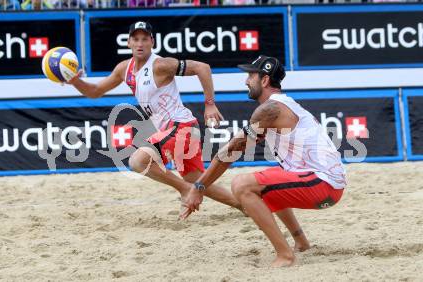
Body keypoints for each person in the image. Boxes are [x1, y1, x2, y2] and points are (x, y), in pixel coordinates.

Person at [181, 55, 346, 267]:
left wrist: (199, 186)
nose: (246, 81)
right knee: (264, 180)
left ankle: (285, 255)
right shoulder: (279, 107)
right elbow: (232, 152)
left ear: (265, 80)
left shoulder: (270, 110)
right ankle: (301, 242)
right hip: (327, 183)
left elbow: (231, 151)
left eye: (251, 75)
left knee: (243, 185)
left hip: (323, 184)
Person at [67, 21, 241, 211]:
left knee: (137, 161)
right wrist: (75, 81)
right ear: (128, 42)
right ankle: (244, 206)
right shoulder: (124, 69)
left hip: (181, 126)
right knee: (196, 179)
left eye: (144, 39)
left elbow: (203, 68)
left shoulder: (160, 65)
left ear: (152, 41)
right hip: (176, 128)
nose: (140, 44)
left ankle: (184, 190)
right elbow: (95, 91)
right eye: (135, 39)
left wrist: (209, 104)